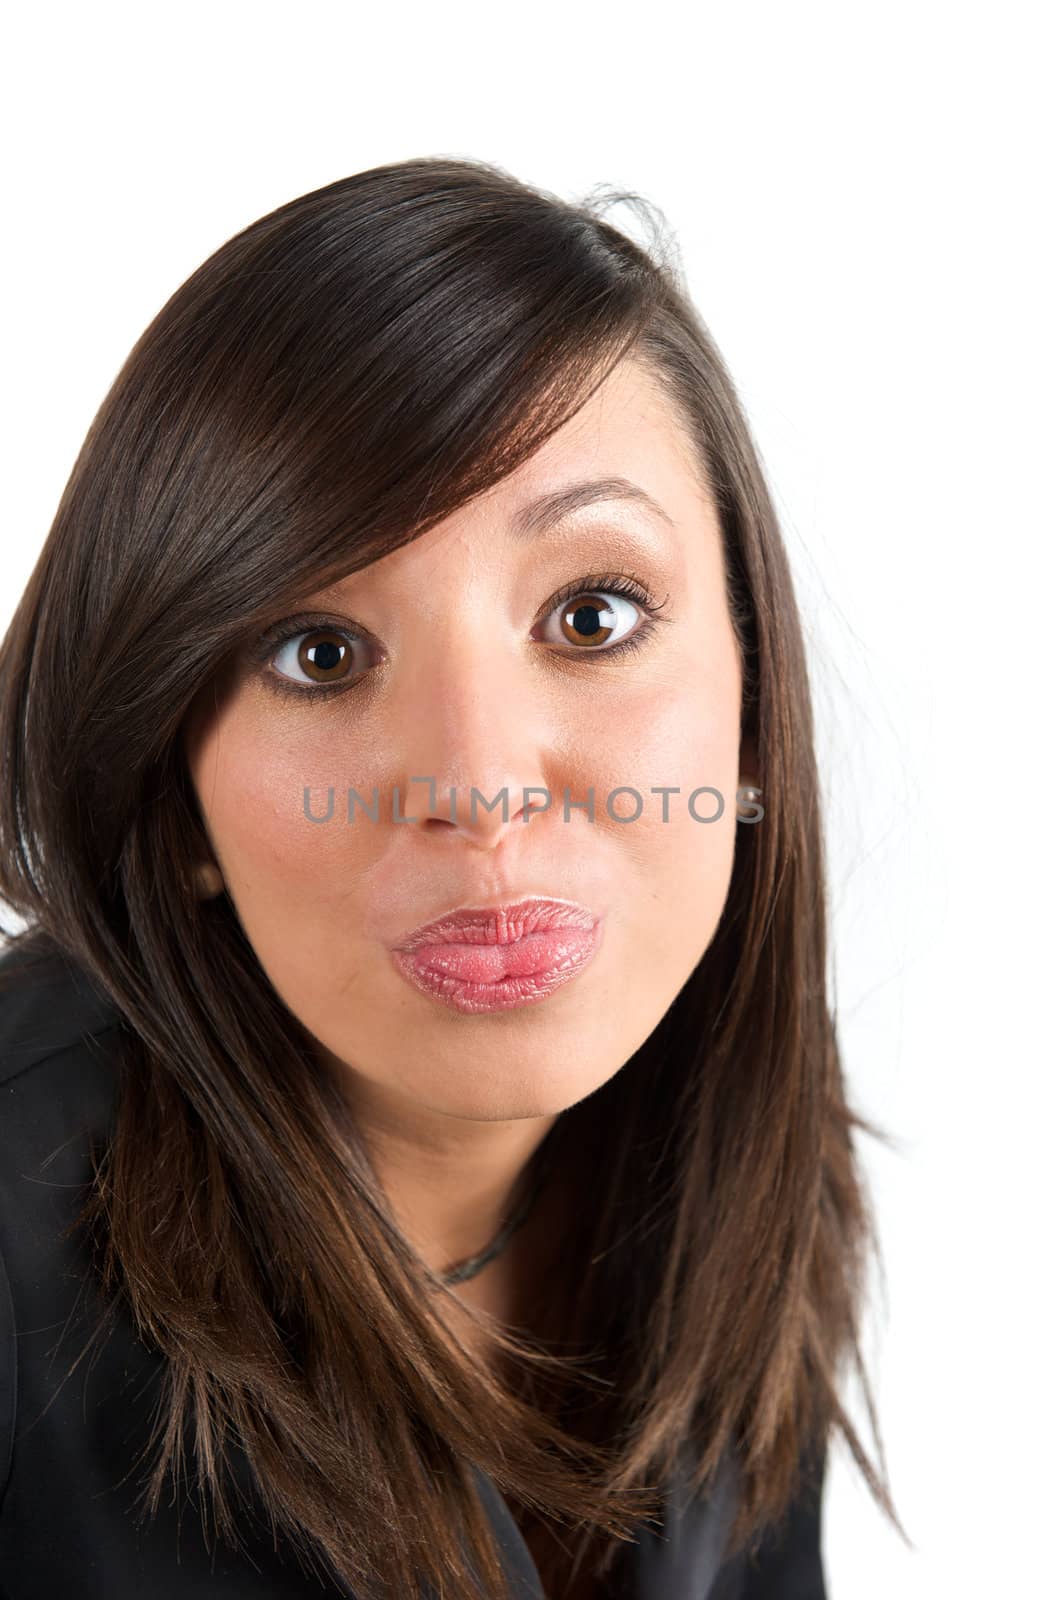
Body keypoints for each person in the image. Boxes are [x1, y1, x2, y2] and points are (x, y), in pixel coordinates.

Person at [0, 156, 906, 1599]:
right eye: (321, 654)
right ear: (171, 797)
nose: (480, 788)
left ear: (748, 696)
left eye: (592, 614)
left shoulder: (737, 1135)